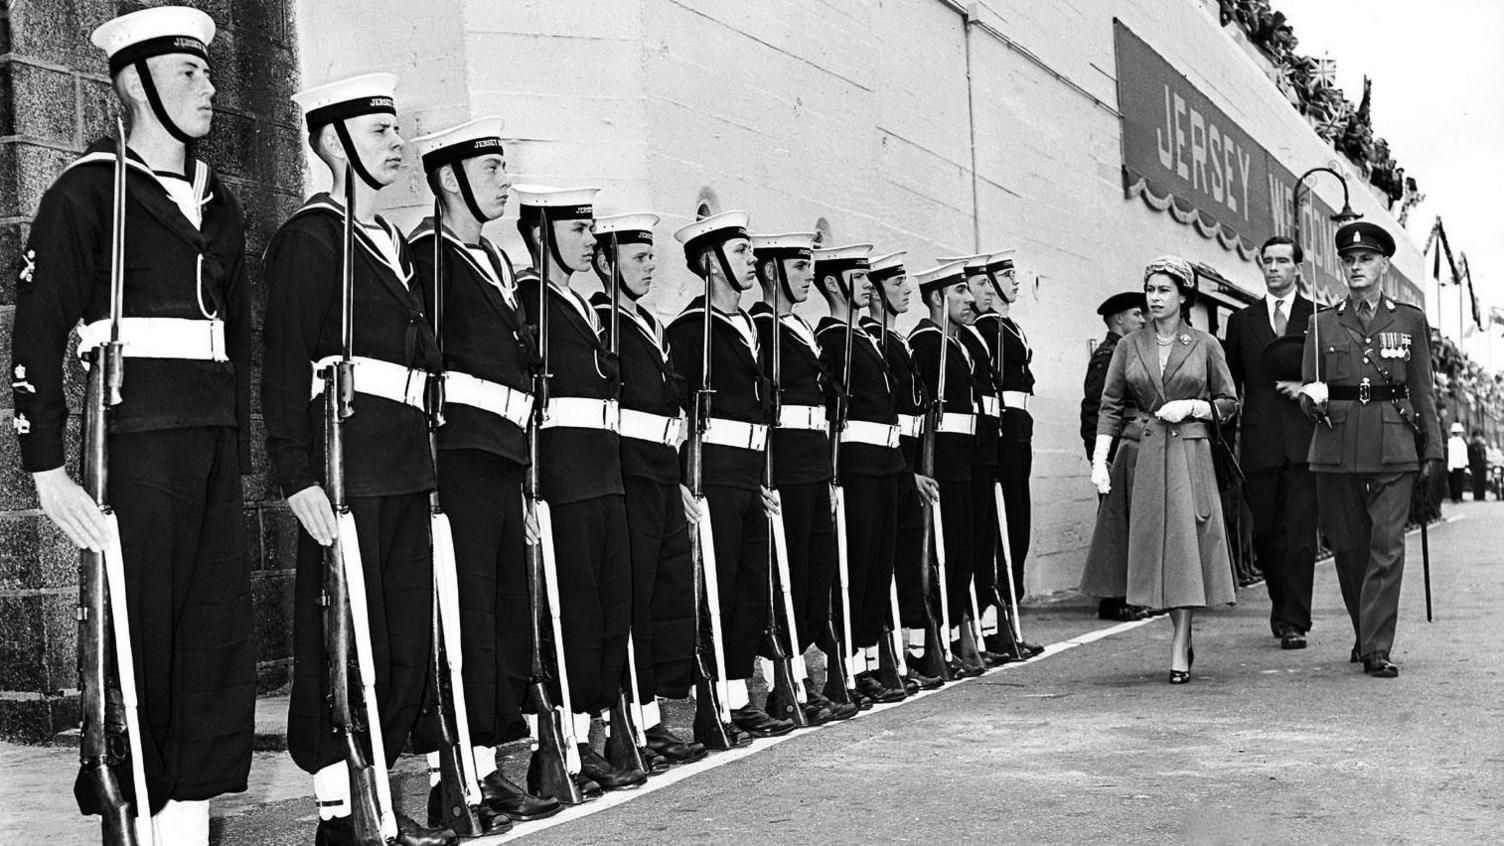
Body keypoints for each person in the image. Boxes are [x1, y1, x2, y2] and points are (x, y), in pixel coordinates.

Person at [11, 8, 254, 843]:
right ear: (137, 85)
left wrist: (243, 456)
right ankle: (139, 822)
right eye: (190, 75)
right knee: (139, 649)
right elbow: (37, 330)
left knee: (213, 646)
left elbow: (241, 338)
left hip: (212, 441)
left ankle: (187, 825)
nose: (211, 88)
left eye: (210, 73)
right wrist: (45, 468)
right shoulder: (87, 193)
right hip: (136, 441)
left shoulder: (220, 204)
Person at [264, 73, 456, 844]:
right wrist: (296, 475)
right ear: (334, 142)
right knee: (341, 641)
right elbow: (282, 366)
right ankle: (339, 814)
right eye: (380, 133)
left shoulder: (391, 246)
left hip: (406, 466)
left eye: (395, 131)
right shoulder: (311, 239)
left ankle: (386, 792)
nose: (397, 144)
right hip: (344, 472)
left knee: (405, 639)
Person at [406, 118, 563, 824]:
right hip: (459, 453)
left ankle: (489, 763)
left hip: (504, 453)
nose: (504, 181)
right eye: (491, 169)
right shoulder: (427, 255)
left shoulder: (497, 261)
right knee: (464, 615)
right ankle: (453, 776)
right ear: (449, 178)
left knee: (501, 615)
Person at [512, 185, 645, 791]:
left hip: (606, 476)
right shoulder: (529, 300)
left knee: (609, 609)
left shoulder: (588, 309)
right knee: (571, 614)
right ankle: (560, 744)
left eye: (591, 229)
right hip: (562, 480)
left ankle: (590, 735)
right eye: (576, 231)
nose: (591, 241)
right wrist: (526, 486)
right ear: (541, 236)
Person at [1081, 255, 1239, 684]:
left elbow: (1229, 401)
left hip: (1189, 452)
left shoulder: (1205, 344)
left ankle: (1179, 641)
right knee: (1153, 548)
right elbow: (1110, 403)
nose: (1154, 298)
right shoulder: (1130, 344)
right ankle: (1175, 631)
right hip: (1143, 453)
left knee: (1185, 547)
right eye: (1150, 290)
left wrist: (1194, 406)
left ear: (1184, 296)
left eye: (1164, 290)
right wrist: (1100, 458)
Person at [667, 211, 795, 740]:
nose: (753, 261)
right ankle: (710, 696)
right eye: (741, 252)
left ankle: (740, 693)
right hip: (714, 470)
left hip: (750, 470)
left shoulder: (752, 327)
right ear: (710, 264)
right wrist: (684, 479)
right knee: (713, 585)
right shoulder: (688, 331)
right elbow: (679, 415)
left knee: (748, 584)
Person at [588, 212, 709, 763]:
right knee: (631, 599)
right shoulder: (603, 320)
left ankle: (652, 718)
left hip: (662, 471)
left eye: (650, 258)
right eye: (637, 258)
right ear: (607, 262)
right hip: (628, 472)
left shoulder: (651, 325)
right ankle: (625, 724)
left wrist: (680, 478)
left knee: (665, 597)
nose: (649, 268)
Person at [1299, 220, 1443, 679]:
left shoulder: (1410, 321)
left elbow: (1422, 390)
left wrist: (1434, 449)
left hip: (1393, 443)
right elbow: (1308, 391)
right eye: (1349, 260)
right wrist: (1310, 399)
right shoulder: (1321, 323)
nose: (1356, 267)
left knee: (1387, 546)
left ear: (1383, 265)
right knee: (1348, 548)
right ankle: (1366, 631)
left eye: (1365, 260)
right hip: (1336, 443)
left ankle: (1377, 647)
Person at [749, 232, 855, 723]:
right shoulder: (762, 328)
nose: (808, 275)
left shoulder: (798, 327)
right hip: (786, 467)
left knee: (814, 577)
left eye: (810, 265)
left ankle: (805, 673)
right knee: (784, 577)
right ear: (771, 272)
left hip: (813, 465)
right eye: (797, 266)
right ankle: (784, 683)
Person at [813, 243, 910, 703]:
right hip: (856, 463)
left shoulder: (866, 338)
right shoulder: (830, 338)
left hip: (886, 462)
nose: (868, 286)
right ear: (833, 284)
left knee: (878, 564)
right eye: (859, 277)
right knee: (854, 565)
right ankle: (846, 664)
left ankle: (870, 659)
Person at [1221, 236, 1318, 650]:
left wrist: (1306, 389)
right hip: (1259, 443)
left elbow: (1332, 378)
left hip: (1306, 440)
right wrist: (1225, 446)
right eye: (1268, 261)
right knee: (1265, 533)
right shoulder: (1242, 322)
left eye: (1283, 261)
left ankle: (1294, 618)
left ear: (1298, 267)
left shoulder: (1318, 317)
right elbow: (1229, 386)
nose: (1274, 268)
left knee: (1299, 533)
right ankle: (1282, 606)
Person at [862, 252, 944, 689]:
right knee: (887, 563)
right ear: (875, 293)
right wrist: (905, 471)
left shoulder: (898, 343)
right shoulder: (871, 341)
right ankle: (884, 655)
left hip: (905, 461)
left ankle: (915, 652)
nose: (907, 290)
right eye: (896, 284)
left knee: (912, 562)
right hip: (892, 465)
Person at [907, 260, 983, 677]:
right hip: (940, 465)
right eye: (960, 293)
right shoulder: (926, 343)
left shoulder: (955, 344)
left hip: (962, 461)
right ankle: (926, 644)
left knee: (961, 552)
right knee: (937, 553)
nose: (970, 299)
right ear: (937, 298)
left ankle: (954, 634)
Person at [1080, 291, 1148, 622]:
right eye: (1136, 314)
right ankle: (1112, 600)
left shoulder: (1128, 352)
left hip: (1128, 449)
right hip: (1115, 451)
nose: (1143, 319)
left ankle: (1126, 596)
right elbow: (1095, 410)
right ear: (1118, 319)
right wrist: (1100, 457)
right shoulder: (1108, 356)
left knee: (1127, 523)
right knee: (1113, 525)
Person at [1446, 422, 1468, 502]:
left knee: (1458, 482)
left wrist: (1465, 463)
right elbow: (1450, 454)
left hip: (1459, 464)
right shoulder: (1451, 441)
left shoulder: (1461, 441)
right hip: (1454, 464)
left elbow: (1464, 454)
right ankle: (1455, 497)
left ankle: (1458, 496)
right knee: (1455, 482)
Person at [1468, 429, 1489, 501]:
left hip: (1482, 466)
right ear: (1474, 437)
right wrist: (1470, 466)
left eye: (1480, 436)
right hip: (1475, 466)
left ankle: (1482, 496)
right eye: (1477, 436)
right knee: (1476, 481)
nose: (1479, 438)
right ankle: (1477, 496)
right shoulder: (1471, 446)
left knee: (1482, 481)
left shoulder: (1483, 446)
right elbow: (1470, 457)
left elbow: (1484, 456)